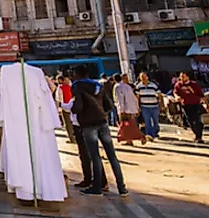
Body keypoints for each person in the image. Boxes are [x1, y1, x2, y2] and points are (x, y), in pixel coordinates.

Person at [71, 66, 128, 196]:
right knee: (112, 156)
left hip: (88, 124)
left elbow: (78, 106)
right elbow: (109, 105)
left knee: (95, 156)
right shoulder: (98, 86)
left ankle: (97, 187)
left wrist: (73, 109)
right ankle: (122, 187)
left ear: (77, 74)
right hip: (102, 122)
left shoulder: (77, 86)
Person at [174, 71, 209, 144]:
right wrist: (177, 97)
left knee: (197, 120)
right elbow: (175, 92)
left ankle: (199, 136)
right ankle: (196, 134)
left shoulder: (194, 85)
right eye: (181, 77)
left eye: (183, 76)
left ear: (187, 77)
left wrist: (207, 105)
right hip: (186, 105)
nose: (182, 78)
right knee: (190, 121)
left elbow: (202, 95)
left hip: (195, 104)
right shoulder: (179, 85)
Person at [114, 74, 145, 146]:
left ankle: (141, 137)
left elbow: (120, 99)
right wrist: (136, 108)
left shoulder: (118, 87)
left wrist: (121, 110)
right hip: (130, 109)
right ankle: (129, 140)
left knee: (127, 125)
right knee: (128, 125)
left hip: (124, 110)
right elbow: (134, 98)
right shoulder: (127, 86)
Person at [135, 72, 162, 140]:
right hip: (145, 107)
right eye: (142, 77)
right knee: (147, 121)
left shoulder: (153, 85)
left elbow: (159, 95)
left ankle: (155, 132)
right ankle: (149, 135)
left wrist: (161, 104)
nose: (143, 78)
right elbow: (137, 97)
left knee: (156, 120)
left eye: (144, 77)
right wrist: (138, 107)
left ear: (147, 77)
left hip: (154, 106)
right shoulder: (138, 87)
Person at [54, 74, 76, 144]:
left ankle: (71, 139)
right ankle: (75, 137)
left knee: (67, 124)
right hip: (72, 106)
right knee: (73, 122)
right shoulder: (71, 87)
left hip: (64, 107)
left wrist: (58, 109)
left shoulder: (60, 88)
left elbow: (58, 99)